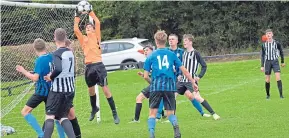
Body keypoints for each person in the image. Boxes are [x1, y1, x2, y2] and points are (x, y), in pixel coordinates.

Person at [144, 30, 198, 138]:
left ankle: (151, 134)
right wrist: (193, 82)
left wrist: (152, 83)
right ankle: (175, 126)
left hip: (156, 87)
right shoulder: (172, 54)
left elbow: (145, 76)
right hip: (169, 87)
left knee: (152, 114)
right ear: (166, 41)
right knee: (170, 113)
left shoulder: (151, 56)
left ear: (156, 41)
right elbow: (184, 70)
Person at [74, 6, 119, 124]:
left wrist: (90, 11)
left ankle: (114, 112)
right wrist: (77, 16)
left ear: (93, 30)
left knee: (105, 89)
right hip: (89, 67)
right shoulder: (83, 39)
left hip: (99, 66)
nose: (88, 28)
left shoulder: (97, 37)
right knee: (91, 90)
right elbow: (76, 30)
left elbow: (97, 22)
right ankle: (94, 108)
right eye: (87, 27)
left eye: (90, 27)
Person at [16, 38, 64, 138]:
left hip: (41, 92)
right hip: (52, 91)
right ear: (45, 46)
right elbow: (49, 71)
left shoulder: (39, 60)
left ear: (34, 48)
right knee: (54, 117)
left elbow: (35, 78)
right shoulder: (51, 56)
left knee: (25, 111)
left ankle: (41, 134)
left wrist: (23, 71)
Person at [177, 34, 220, 120]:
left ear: (190, 42)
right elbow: (183, 66)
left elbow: (204, 66)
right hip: (182, 81)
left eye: (185, 41)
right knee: (172, 95)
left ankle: (214, 114)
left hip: (191, 81)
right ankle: (171, 117)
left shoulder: (196, 53)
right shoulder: (184, 53)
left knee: (197, 97)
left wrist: (199, 76)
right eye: (183, 41)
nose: (184, 42)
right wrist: (180, 75)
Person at [167, 34, 209, 117]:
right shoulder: (166, 51)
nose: (170, 41)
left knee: (190, 96)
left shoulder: (183, 52)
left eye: (172, 39)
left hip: (184, 78)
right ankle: (163, 116)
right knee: (170, 96)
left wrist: (198, 76)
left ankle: (202, 113)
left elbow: (185, 66)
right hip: (172, 77)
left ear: (177, 41)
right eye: (169, 39)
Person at [43, 28, 76, 138]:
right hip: (70, 90)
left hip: (58, 91)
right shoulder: (70, 52)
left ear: (54, 38)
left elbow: (59, 69)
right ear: (65, 37)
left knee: (50, 117)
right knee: (63, 117)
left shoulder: (57, 53)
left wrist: (50, 77)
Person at [261, 29, 285, 99]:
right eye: (267, 34)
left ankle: (281, 95)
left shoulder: (277, 43)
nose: (269, 35)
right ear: (266, 36)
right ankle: (268, 95)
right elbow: (262, 55)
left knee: (278, 77)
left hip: (275, 61)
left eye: (270, 33)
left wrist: (282, 61)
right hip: (267, 62)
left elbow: (281, 52)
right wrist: (262, 66)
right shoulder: (264, 45)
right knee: (267, 79)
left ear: (272, 34)